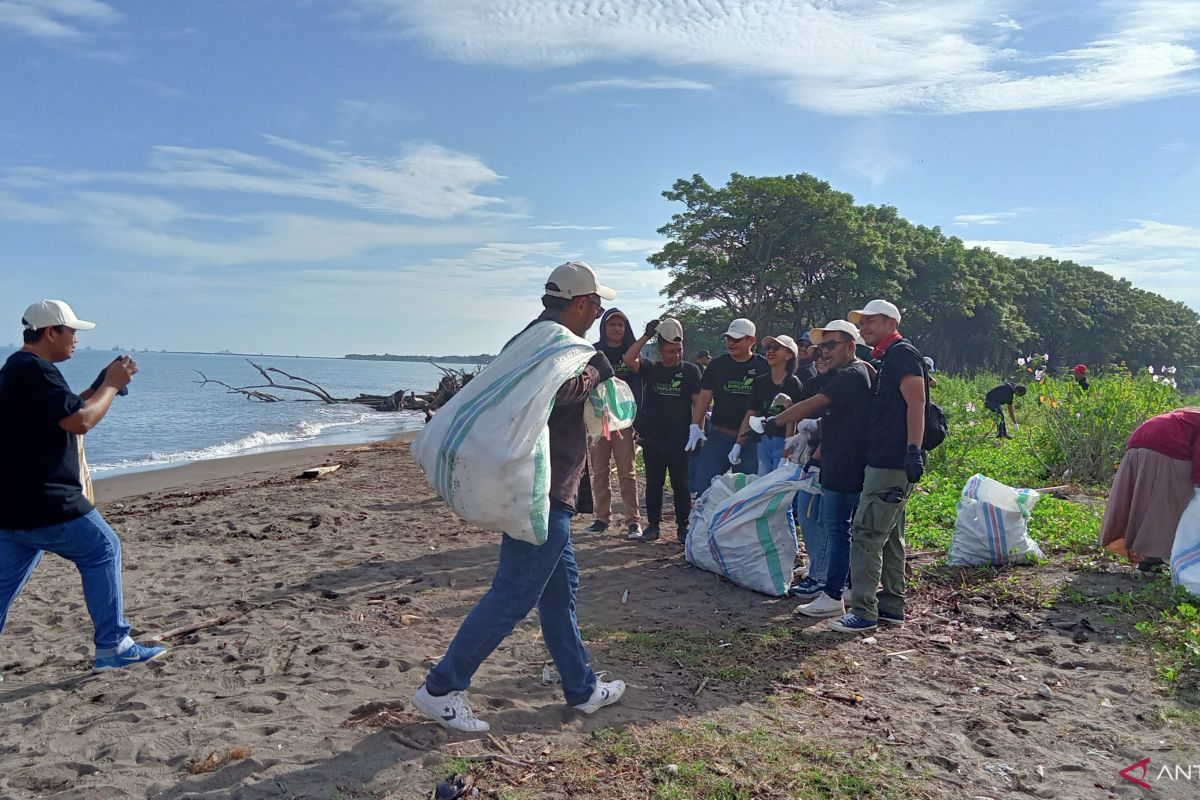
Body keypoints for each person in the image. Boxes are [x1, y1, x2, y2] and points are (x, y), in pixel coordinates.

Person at [413, 261, 625, 732]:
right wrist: (596, 369)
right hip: (540, 491)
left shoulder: (526, 340)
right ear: (580, 303)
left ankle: (582, 687)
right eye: (595, 304)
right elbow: (558, 391)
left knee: (559, 592)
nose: (597, 314)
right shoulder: (554, 344)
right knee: (512, 595)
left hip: (545, 488)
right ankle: (441, 688)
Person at [0, 300, 167, 675]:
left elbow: (67, 408)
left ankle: (114, 645)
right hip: (46, 501)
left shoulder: (19, 369)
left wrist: (103, 384)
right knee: (102, 549)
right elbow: (79, 422)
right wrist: (110, 384)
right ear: (50, 332)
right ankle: (113, 647)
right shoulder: (34, 370)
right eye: (72, 331)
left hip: (12, 503)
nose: (76, 339)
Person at [754, 321, 872, 616]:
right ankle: (841, 586)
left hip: (846, 463)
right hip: (836, 458)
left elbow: (811, 404)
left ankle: (832, 594)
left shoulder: (851, 374)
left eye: (831, 345)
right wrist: (809, 433)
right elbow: (833, 417)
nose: (824, 352)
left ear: (850, 346)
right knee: (836, 526)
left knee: (836, 528)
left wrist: (772, 422)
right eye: (821, 347)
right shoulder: (846, 375)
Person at [835, 299, 928, 633]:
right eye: (862, 323)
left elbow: (916, 402)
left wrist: (912, 450)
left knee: (866, 534)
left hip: (891, 461)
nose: (864, 328)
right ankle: (891, 606)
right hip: (887, 458)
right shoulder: (888, 357)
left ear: (891, 322)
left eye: (871, 321)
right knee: (889, 538)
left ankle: (863, 611)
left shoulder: (902, 355)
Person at [623, 318, 701, 543]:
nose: (675, 355)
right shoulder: (651, 369)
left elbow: (698, 403)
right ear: (659, 351)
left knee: (681, 485)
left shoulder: (690, 371)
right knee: (654, 484)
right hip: (653, 438)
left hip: (680, 438)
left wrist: (697, 431)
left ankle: (682, 527)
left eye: (679, 350)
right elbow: (629, 359)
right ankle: (653, 526)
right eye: (670, 351)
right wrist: (646, 335)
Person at [1100, 408, 1200, 573]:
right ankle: (1153, 556)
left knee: (1144, 501)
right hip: (1166, 446)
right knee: (1172, 504)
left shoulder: (1191, 414)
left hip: (1139, 443)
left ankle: (1149, 554)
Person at [685, 319, 769, 490]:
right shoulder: (717, 364)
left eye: (737, 339)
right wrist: (695, 426)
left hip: (750, 440)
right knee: (704, 485)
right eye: (729, 338)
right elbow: (704, 398)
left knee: (745, 490)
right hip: (719, 435)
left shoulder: (762, 366)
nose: (731, 343)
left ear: (751, 340)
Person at [585, 308, 642, 538]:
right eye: (612, 325)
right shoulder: (595, 351)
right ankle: (601, 518)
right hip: (599, 420)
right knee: (600, 471)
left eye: (621, 325)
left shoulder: (632, 353)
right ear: (604, 327)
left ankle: (633, 521)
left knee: (627, 472)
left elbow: (640, 383)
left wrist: (639, 420)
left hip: (624, 422)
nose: (617, 329)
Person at [734, 334, 803, 476]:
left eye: (776, 348)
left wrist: (785, 454)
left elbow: (792, 419)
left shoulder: (793, 383)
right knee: (761, 481)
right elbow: (750, 414)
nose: (770, 351)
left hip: (782, 442)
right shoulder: (760, 382)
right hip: (763, 441)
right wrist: (737, 444)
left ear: (789, 355)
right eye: (768, 348)